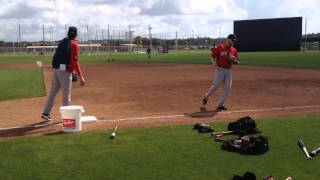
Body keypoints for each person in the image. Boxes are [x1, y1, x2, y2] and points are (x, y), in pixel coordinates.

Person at [41, 26, 85, 122]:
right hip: (65, 72)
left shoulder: (63, 41)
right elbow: (75, 62)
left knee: (53, 92)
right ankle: (67, 118)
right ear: (76, 34)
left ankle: (46, 112)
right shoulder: (74, 44)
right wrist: (80, 76)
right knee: (66, 95)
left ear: (68, 33)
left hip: (56, 69)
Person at [202, 34, 240, 111]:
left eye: (234, 41)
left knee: (227, 88)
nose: (233, 42)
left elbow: (238, 61)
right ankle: (206, 96)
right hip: (220, 69)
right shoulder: (220, 47)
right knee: (216, 85)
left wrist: (234, 60)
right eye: (232, 40)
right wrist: (214, 63)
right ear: (228, 39)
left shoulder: (233, 50)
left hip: (229, 70)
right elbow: (212, 56)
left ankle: (221, 104)